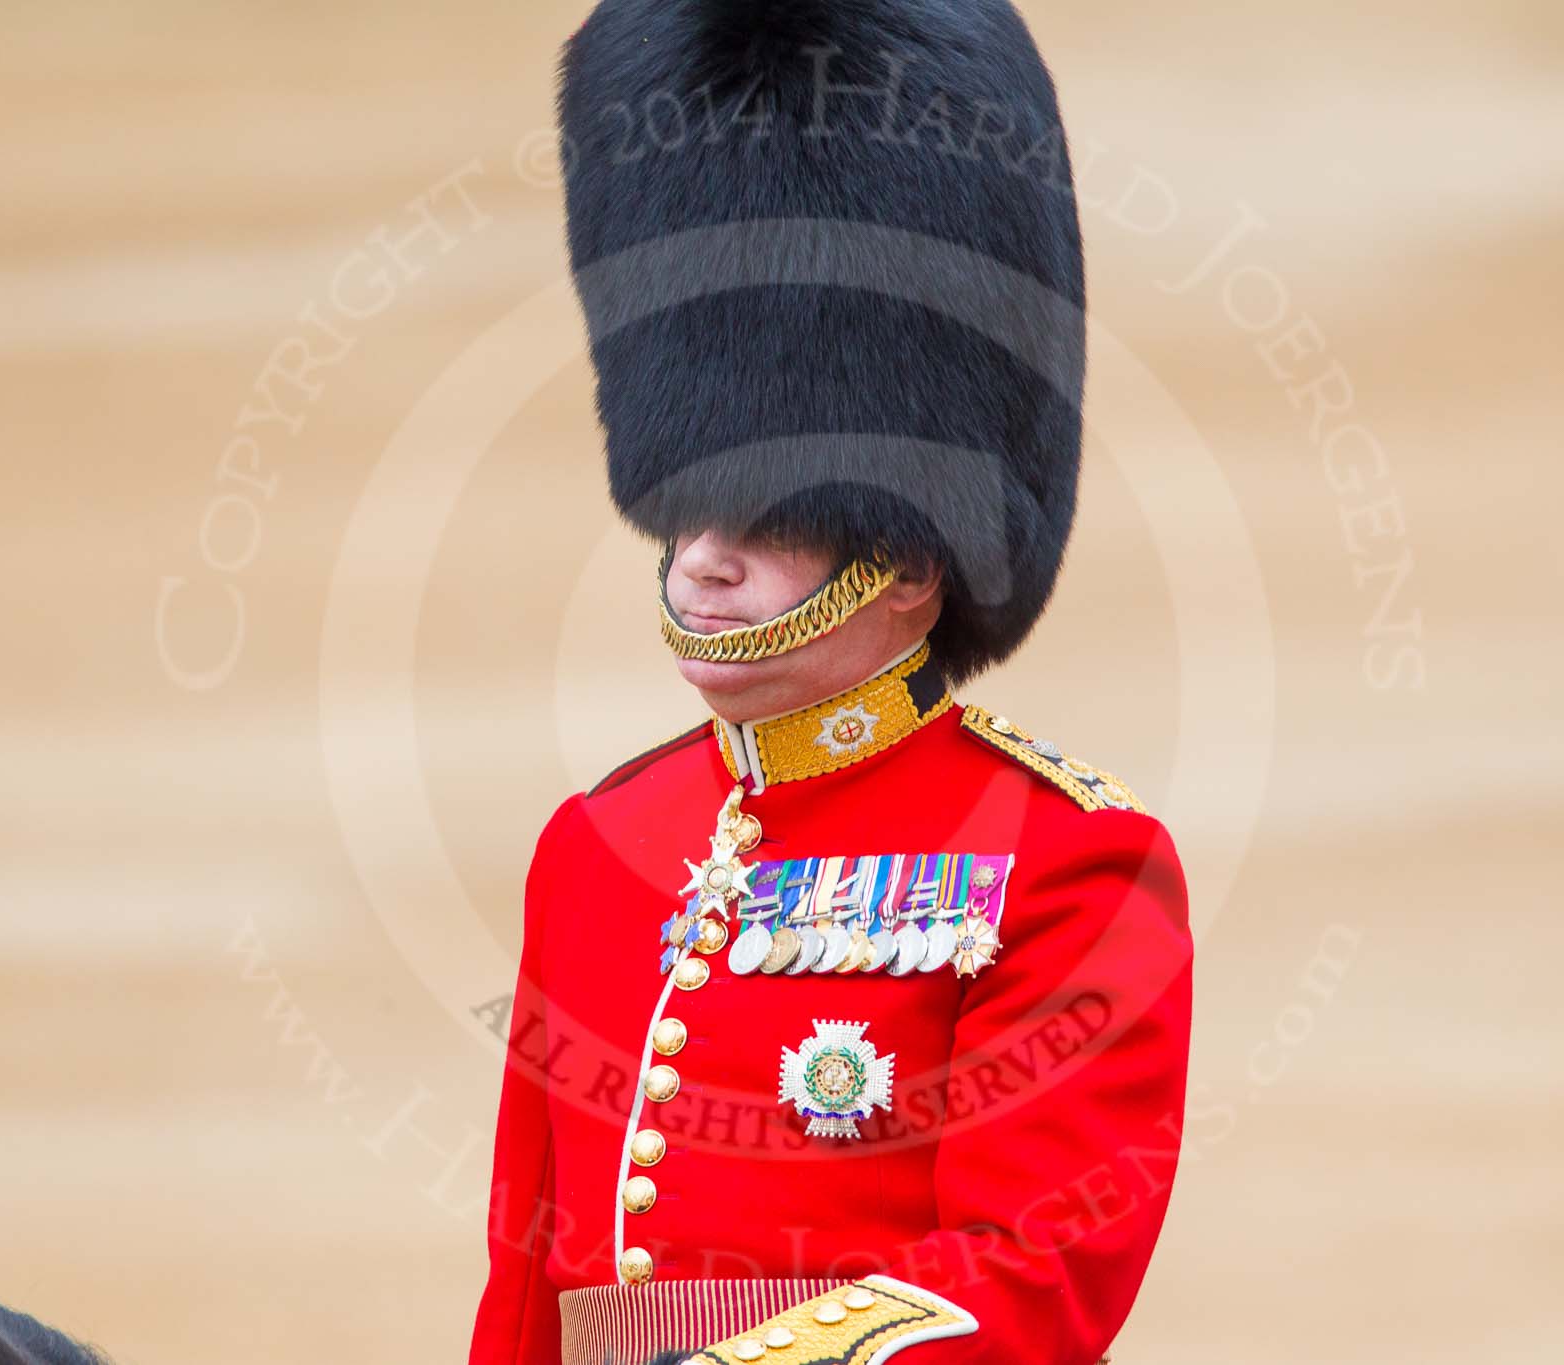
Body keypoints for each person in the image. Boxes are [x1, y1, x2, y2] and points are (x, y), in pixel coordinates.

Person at [470, 1, 1193, 1361]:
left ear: (909, 561)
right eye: (692, 500)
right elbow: (524, 1294)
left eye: (768, 512)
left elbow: (1029, 1278)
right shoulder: (594, 848)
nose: (704, 559)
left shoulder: (1071, 865)